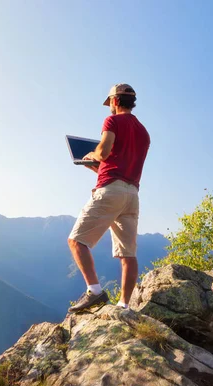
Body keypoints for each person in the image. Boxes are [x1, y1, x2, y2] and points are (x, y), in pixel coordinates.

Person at [67, 83, 151, 313]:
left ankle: (94, 291)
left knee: (76, 241)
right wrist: (97, 168)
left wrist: (92, 155)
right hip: (132, 194)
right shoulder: (144, 132)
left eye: (109, 104)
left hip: (110, 191)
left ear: (114, 101)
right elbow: (119, 166)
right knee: (128, 253)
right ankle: (124, 305)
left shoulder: (112, 122)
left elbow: (103, 153)